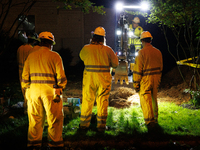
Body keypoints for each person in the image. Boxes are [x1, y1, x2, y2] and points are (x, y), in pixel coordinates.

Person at [21, 31, 67, 149]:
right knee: (54, 120)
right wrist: (60, 87)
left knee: (35, 120)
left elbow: (25, 78)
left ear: (40, 42)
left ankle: (34, 145)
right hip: (50, 93)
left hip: (33, 92)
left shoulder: (31, 56)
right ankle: (54, 145)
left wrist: (27, 89)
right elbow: (61, 78)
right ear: (51, 43)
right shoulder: (55, 56)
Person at [79, 26, 118, 132]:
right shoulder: (108, 50)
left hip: (89, 78)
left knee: (87, 100)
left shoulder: (86, 48)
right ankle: (101, 126)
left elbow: (82, 57)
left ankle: (84, 125)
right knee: (102, 101)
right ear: (103, 38)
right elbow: (115, 64)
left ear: (93, 37)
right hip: (103, 79)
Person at [133, 31, 163, 131]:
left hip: (146, 79)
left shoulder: (141, 53)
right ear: (150, 40)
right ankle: (155, 119)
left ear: (142, 41)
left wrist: (136, 84)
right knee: (154, 99)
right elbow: (161, 67)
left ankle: (150, 123)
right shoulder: (158, 52)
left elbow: (137, 71)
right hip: (157, 78)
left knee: (146, 100)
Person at [17, 31, 38, 114]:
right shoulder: (31, 49)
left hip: (20, 71)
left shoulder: (20, 48)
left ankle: (25, 108)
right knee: (29, 91)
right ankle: (28, 109)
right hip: (28, 72)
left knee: (24, 90)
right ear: (34, 40)